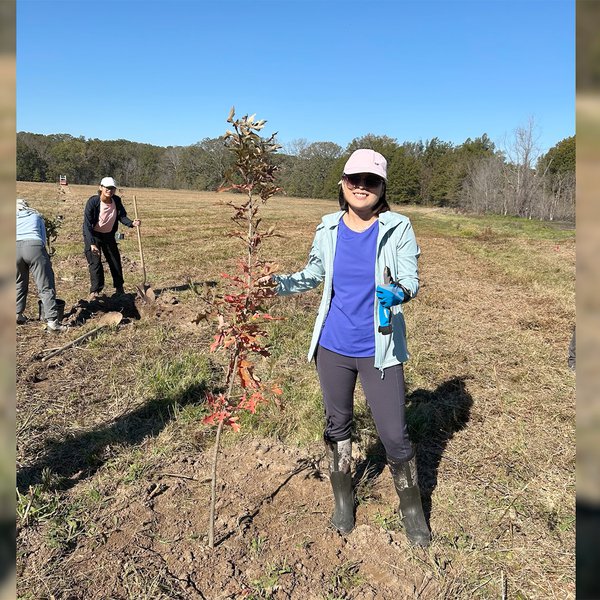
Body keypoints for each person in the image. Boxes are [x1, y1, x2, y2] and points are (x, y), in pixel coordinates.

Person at [264, 149, 430, 546]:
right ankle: (343, 498)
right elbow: (313, 275)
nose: (361, 186)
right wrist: (275, 283)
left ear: (381, 188)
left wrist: (400, 292)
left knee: (393, 434)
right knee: (338, 425)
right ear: (342, 184)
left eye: (370, 181)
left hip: (379, 348)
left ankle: (411, 510)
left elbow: (411, 279)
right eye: (354, 179)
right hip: (333, 347)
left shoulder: (398, 227)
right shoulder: (327, 228)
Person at [83, 177, 140, 299]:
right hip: (94, 235)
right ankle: (95, 291)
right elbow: (87, 225)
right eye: (107, 188)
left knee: (115, 261)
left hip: (108, 235)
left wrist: (131, 223)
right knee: (95, 263)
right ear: (101, 188)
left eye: (112, 188)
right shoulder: (93, 202)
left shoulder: (116, 200)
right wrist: (92, 243)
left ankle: (119, 288)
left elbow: (122, 216)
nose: (110, 190)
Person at [16, 198, 66, 332]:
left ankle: (17, 315)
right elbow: (43, 238)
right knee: (45, 285)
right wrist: (44, 255)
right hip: (34, 247)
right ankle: (53, 323)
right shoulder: (36, 216)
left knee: (18, 282)